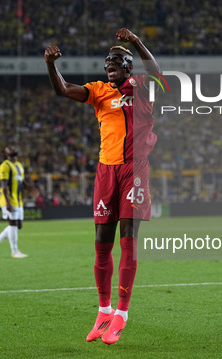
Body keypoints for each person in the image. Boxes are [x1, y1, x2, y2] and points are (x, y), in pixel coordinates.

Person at [44, 27, 159, 345]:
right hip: (105, 172)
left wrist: (135, 42)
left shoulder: (141, 87)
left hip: (134, 171)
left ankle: (122, 313)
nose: (109, 62)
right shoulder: (98, 91)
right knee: (101, 243)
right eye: (107, 59)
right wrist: (50, 64)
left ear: (128, 66)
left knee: (128, 242)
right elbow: (63, 90)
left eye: (117, 59)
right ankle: (104, 310)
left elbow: (157, 72)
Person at [0, 145, 38, 258]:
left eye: (13, 147)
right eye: (9, 149)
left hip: (18, 199)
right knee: (13, 224)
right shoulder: (4, 166)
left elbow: (22, 182)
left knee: (18, 226)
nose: (12, 149)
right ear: (6, 154)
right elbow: (4, 185)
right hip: (8, 198)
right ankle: (14, 251)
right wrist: (7, 202)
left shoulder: (19, 166)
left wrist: (31, 189)